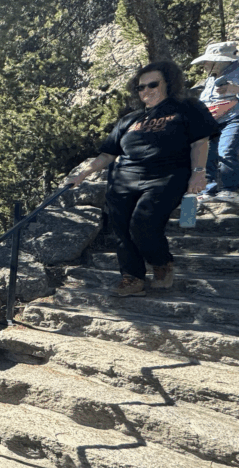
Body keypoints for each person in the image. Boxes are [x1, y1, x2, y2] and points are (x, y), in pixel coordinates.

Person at [66, 60, 217, 297]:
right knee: (122, 230)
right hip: (123, 179)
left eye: (152, 84)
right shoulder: (129, 120)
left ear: (168, 83)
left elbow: (200, 141)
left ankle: (162, 262)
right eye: (140, 87)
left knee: (143, 223)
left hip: (167, 176)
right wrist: (82, 174)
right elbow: (107, 154)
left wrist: (198, 173)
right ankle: (132, 277)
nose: (146, 91)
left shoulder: (187, 108)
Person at [191, 41, 239, 206]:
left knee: (226, 151)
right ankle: (208, 190)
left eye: (207, 61)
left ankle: (229, 190)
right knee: (206, 155)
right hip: (211, 121)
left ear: (220, 61)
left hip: (234, 118)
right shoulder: (211, 78)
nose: (204, 65)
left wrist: (235, 90)